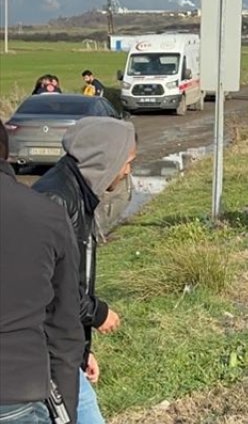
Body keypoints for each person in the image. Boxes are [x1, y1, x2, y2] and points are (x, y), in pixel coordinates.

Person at [33, 118, 136, 424]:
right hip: (44, 355)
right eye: (127, 161)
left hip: (61, 350)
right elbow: (52, 288)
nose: (128, 170)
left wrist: (81, 352)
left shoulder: (77, 193)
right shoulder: (56, 201)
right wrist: (98, 312)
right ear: (105, 156)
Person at [1, 122, 84, 423]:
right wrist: (66, 414)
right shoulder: (47, 216)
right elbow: (64, 326)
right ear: (6, 152)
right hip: (16, 387)